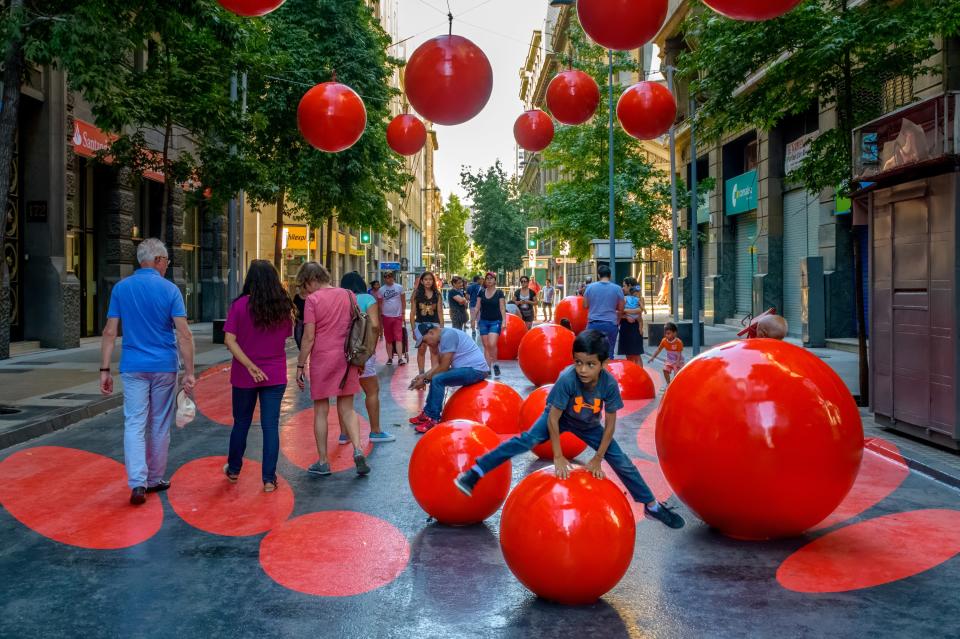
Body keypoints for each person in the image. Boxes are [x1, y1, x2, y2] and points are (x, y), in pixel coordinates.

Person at [454, 330, 683, 529]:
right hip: (560, 417)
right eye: (578, 362)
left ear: (603, 364)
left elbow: (611, 423)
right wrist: (558, 456)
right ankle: (476, 472)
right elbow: (553, 419)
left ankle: (651, 505)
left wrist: (597, 458)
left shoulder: (609, 384)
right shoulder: (567, 379)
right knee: (525, 440)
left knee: (622, 461)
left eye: (590, 364)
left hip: (589, 424)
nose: (583, 369)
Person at [99, 238, 195, 505]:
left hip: (132, 366)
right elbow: (184, 335)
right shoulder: (170, 290)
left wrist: (104, 369)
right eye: (166, 261)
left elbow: (110, 331)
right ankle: (154, 478)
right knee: (159, 424)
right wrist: (189, 371)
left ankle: (137, 482)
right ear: (157, 261)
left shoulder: (121, 288)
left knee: (134, 422)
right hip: (163, 366)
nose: (166, 266)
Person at [222, 260, 294, 493]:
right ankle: (269, 479)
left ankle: (233, 470)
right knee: (270, 426)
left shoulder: (239, 305)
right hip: (274, 373)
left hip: (244, 374)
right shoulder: (283, 308)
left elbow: (229, 340)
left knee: (241, 423)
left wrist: (250, 365)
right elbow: (285, 337)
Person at [296, 263, 370, 477]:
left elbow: (309, 337)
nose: (306, 291)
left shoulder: (313, 300)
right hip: (347, 358)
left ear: (311, 280)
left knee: (321, 410)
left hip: (322, 359)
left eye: (305, 285)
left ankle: (323, 461)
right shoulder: (348, 294)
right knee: (347, 408)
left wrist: (300, 365)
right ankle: (357, 449)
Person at [341, 271, 395, 444]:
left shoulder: (340, 299)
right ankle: (375, 431)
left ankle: (344, 434)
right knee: (372, 391)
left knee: (343, 395)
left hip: (342, 352)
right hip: (362, 350)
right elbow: (374, 325)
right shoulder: (367, 299)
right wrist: (369, 351)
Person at [408, 324, 490, 433]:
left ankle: (433, 418)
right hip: (469, 369)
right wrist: (423, 376)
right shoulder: (442, 338)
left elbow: (443, 368)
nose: (426, 345)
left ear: (431, 333)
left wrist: (425, 380)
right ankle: (427, 413)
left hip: (476, 371)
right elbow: (439, 367)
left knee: (438, 379)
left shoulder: (448, 336)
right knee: (436, 377)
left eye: (425, 341)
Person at [583, 265, 625, 356]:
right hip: (610, 324)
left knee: (592, 354)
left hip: (593, 324)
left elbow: (585, 305)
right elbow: (621, 308)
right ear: (610, 276)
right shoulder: (617, 288)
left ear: (598, 275)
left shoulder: (589, 288)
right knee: (609, 354)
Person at [410, 271, 444, 375]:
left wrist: (442, 328)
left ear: (433, 281)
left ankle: (434, 373)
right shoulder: (416, 294)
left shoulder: (437, 294)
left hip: (434, 325)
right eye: (426, 279)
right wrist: (414, 329)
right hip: (420, 324)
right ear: (421, 281)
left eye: (430, 279)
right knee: (421, 349)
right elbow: (412, 313)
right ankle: (421, 373)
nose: (428, 281)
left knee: (434, 350)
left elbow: (440, 312)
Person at [474, 271, 507, 377]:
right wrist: (473, 318)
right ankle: (487, 368)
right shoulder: (481, 292)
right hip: (483, 321)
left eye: (491, 278)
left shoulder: (499, 293)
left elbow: (502, 307)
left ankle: (495, 363)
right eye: (487, 278)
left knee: (492, 344)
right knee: (486, 345)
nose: (489, 280)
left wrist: (504, 321)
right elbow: (477, 306)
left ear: (495, 281)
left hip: (495, 321)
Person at [294, 262, 325, 350]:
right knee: (301, 341)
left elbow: (309, 338)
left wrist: (300, 363)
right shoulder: (298, 297)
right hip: (300, 322)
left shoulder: (314, 298)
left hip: (311, 322)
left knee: (307, 340)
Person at [378, 271, 407, 366]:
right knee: (389, 339)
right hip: (386, 316)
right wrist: (380, 317)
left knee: (398, 337)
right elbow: (379, 304)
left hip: (397, 316)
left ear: (393, 278)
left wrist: (403, 313)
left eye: (390, 277)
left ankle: (400, 358)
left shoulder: (399, 288)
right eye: (386, 277)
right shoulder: (381, 290)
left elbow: (403, 301)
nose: (388, 279)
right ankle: (390, 358)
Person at [618, 277, 645, 364]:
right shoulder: (623, 298)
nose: (623, 288)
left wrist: (625, 311)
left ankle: (640, 376)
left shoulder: (640, 298)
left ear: (629, 286)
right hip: (626, 327)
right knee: (628, 354)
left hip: (635, 327)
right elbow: (617, 313)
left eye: (624, 286)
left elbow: (640, 311)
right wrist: (626, 317)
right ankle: (632, 375)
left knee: (637, 354)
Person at [648, 321, 684, 386]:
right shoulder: (664, 341)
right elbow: (658, 349)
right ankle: (668, 384)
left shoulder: (678, 342)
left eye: (668, 333)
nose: (666, 335)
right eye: (665, 333)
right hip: (669, 361)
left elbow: (679, 354)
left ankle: (676, 385)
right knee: (665, 370)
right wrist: (653, 357)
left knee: (677, 374)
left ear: (674, 333)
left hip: (678, 361)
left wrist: (677, 363)